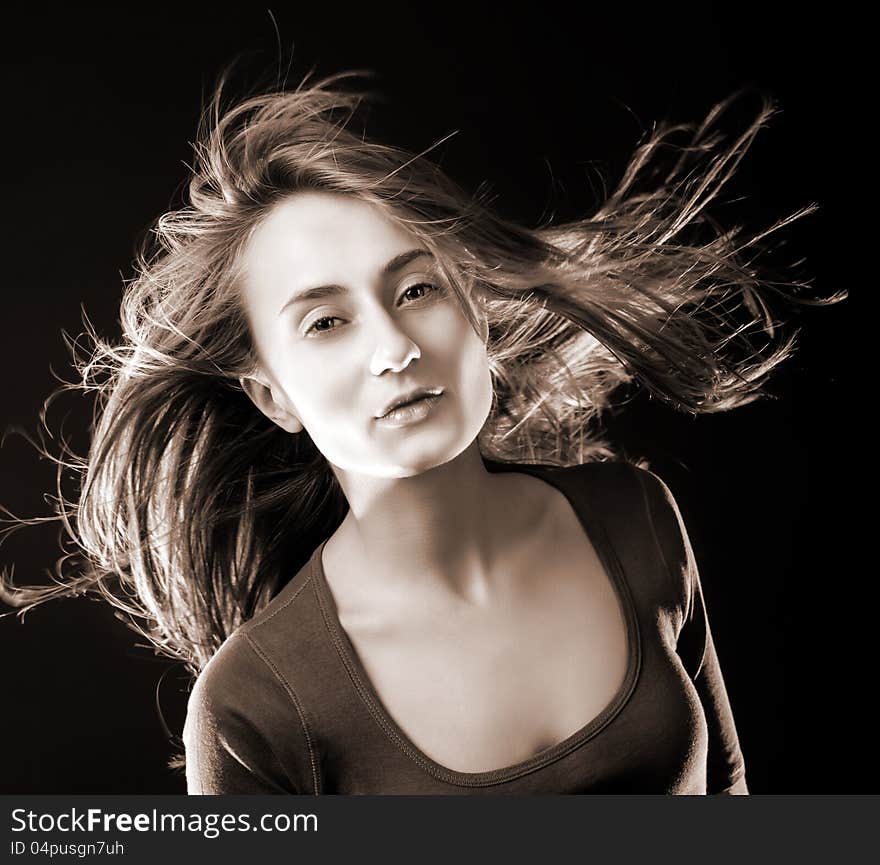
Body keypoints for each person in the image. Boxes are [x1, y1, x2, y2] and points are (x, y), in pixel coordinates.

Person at [0, 67, 845, 795]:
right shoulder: (252, 708)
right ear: (270, 396)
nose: (396, 350)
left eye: (415, 290)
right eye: (326, 324)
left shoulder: (636, 519)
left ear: (473, 308)